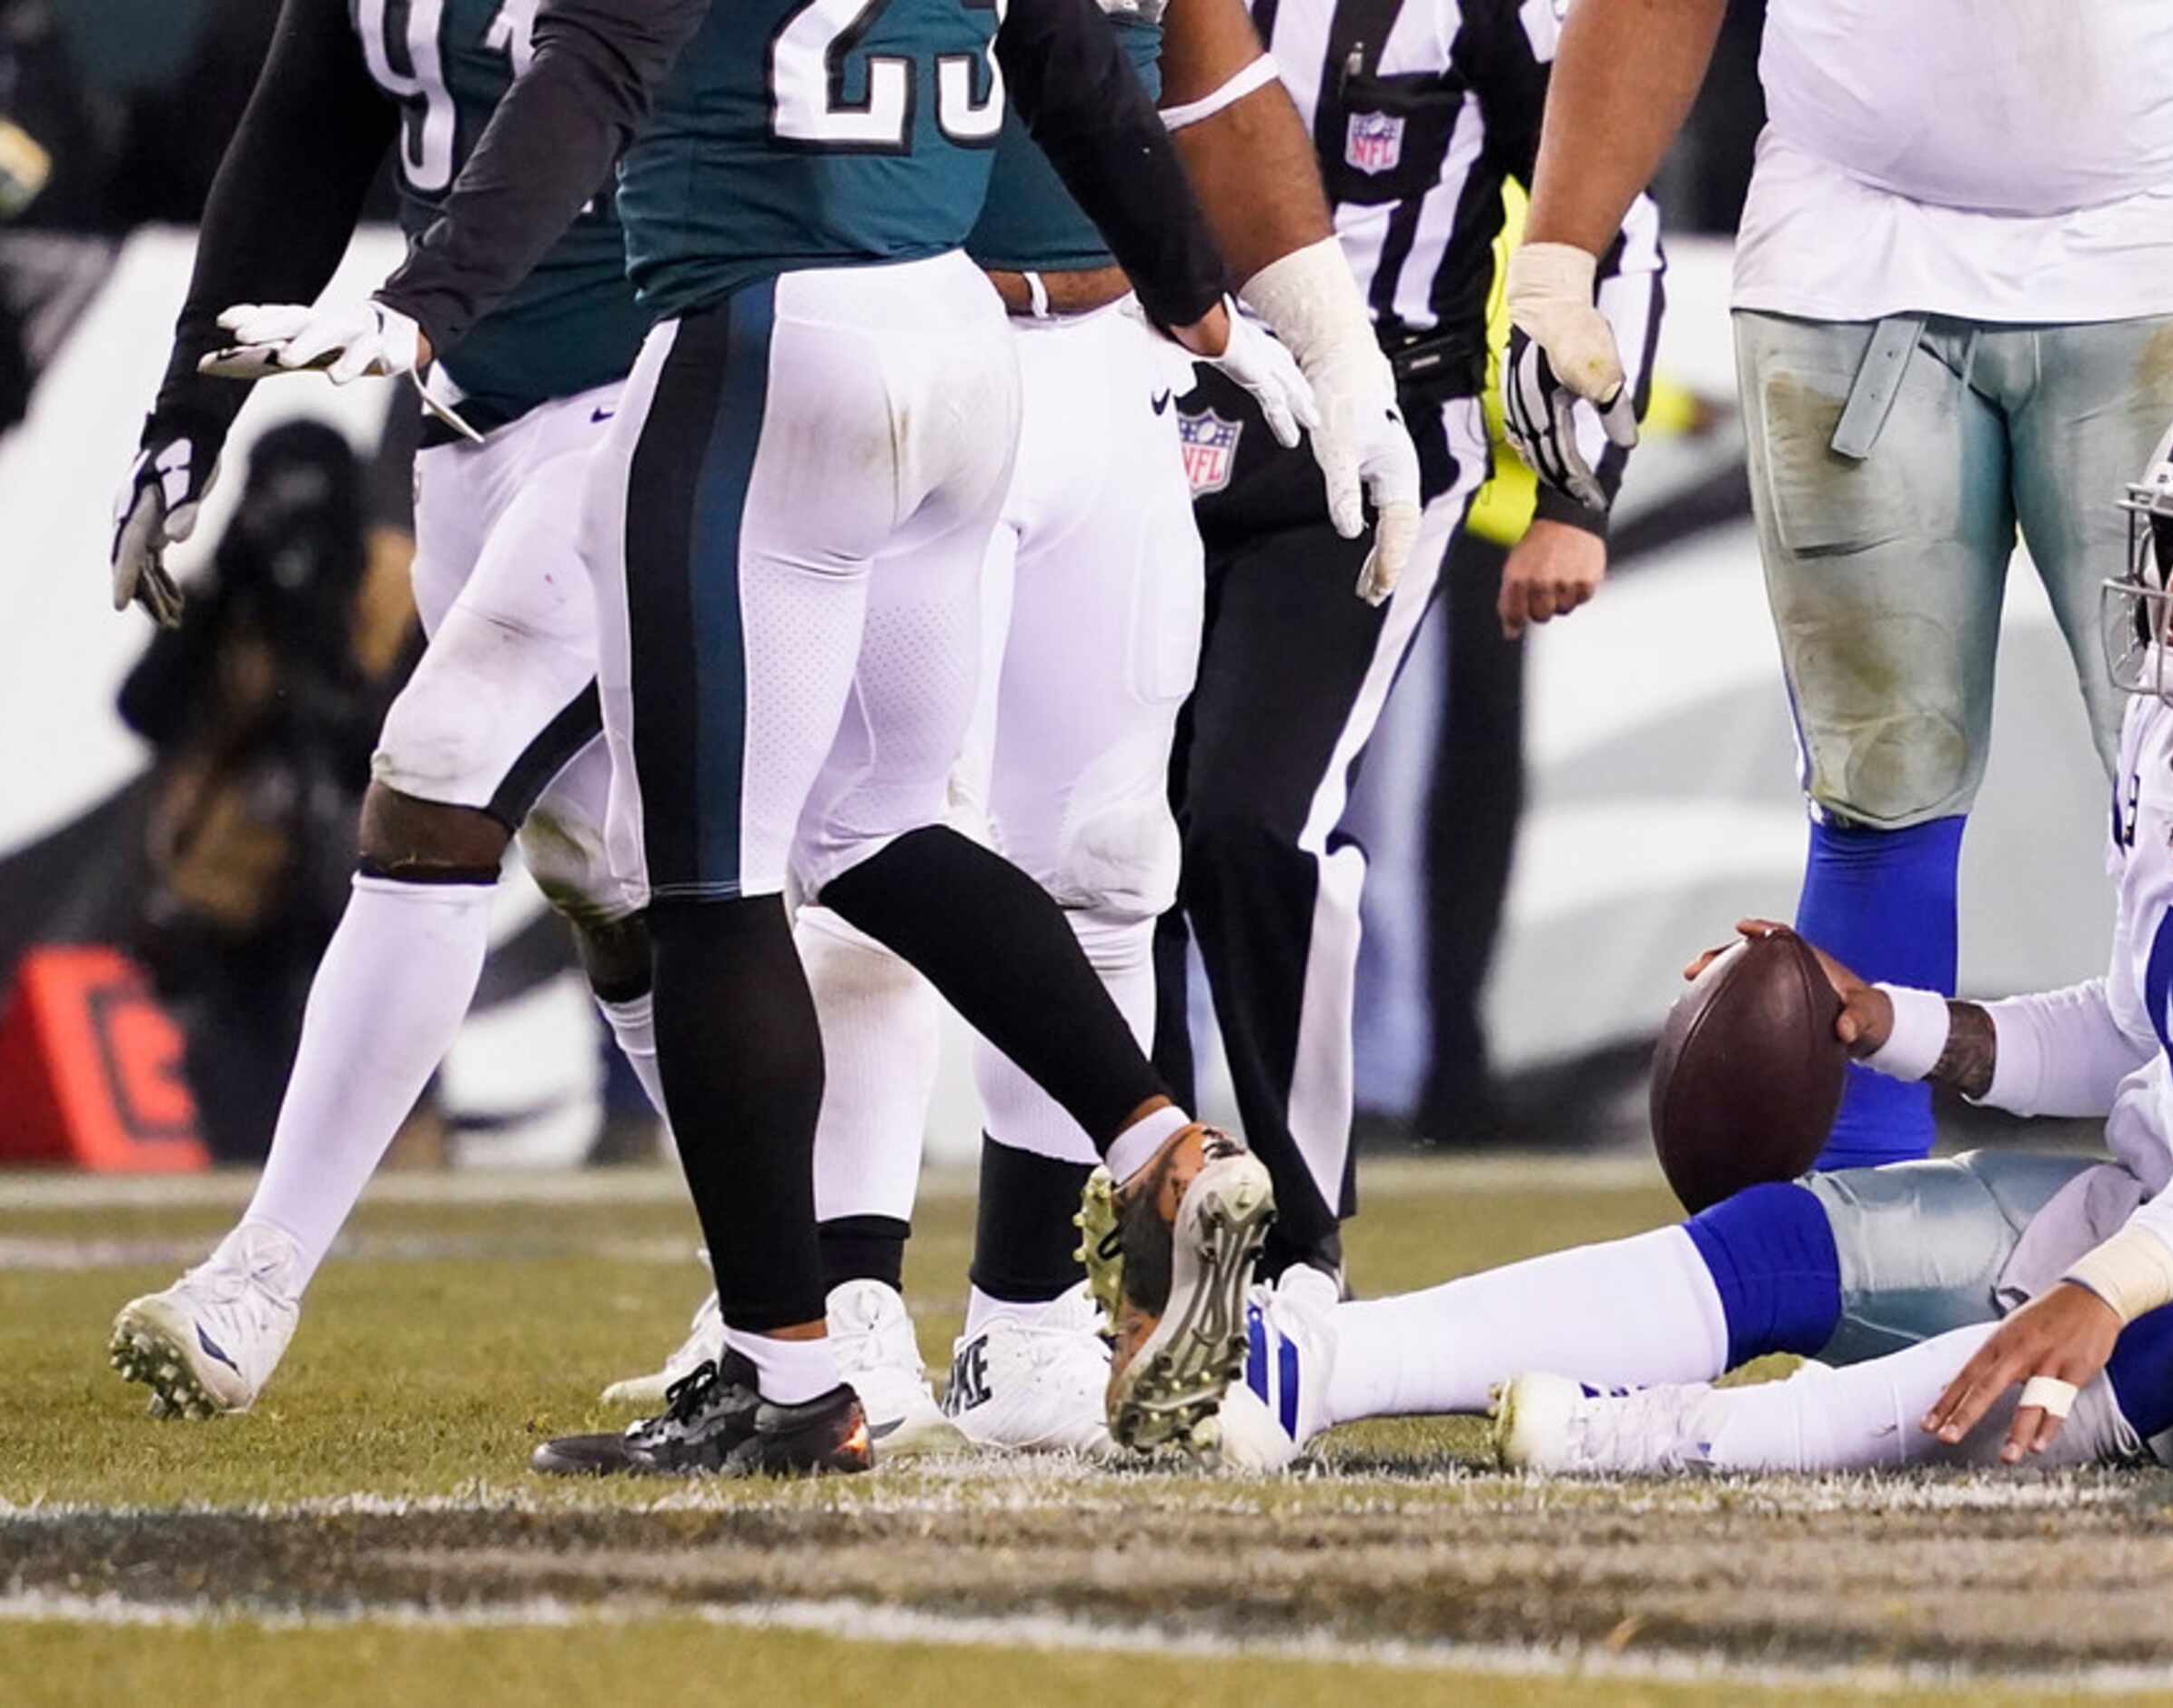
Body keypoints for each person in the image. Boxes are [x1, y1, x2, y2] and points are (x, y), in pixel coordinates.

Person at [181, 0, 1315, 1475]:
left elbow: (591, 70)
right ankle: (1157, 1143)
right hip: (962, 342)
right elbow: (1073, 61)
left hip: (765, 336)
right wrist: (1203, 302)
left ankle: (786, 1372)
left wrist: (420, 307)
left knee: (708, 880)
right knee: (882, 827)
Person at [1217, 365, 2173, 1482]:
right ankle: (1324, 1358)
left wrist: (2105, 1283)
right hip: (2161, 1215)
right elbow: (2140, 1030)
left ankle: (1677, 1436)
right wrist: (1889, 1024)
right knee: (1790, 1235)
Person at [1501, 0, 2173, 1170]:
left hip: (2155, 242)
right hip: (1846, 243)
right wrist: (1559, 257)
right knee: (1879, 774)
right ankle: (1862, 1243)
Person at [599, 0, 1424, 1462]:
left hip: (1105, 353)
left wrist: (1336, 345)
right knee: (860, 844)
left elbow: (1204, 78)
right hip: (915, 314)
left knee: (1108, 851)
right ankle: (835, 1298)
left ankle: (1027, 1315)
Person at [106, 0, 659, 1421]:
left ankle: (256, 1278)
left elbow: (584, 93)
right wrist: (186, 420)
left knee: (439, 764)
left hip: (652, 390)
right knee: (613, 872)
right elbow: (304, 133)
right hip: (472, 422)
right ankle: (811, 1308)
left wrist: (416, 312)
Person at [1151, 0, 1665, 1293]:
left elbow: (1610, 224)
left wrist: (1572, 494)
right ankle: (1123, 1228)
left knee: (1250, 822)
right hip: (1145, 414)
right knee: (1111, 846)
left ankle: (1295, 1237)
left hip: (1371, 442)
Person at [115, 420, 401, 1166]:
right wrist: (218, 595)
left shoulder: (391, 578)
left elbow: (383, 738)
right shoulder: (233, 586)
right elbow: (144, 707)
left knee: (371, 1050)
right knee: (239, 1068)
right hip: (234, 868)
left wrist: (315, 632)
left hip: (367, 858)